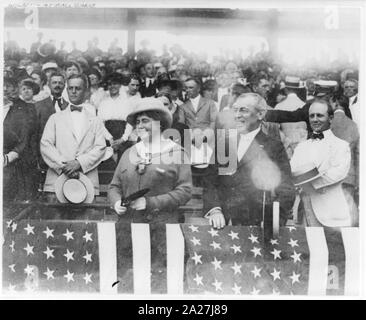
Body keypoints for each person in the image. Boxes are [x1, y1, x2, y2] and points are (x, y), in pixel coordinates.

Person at [203, 93, 296, 228]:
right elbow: (210, 183)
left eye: (243, 110)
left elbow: (286, 188)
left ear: (260, 114)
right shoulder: (225, 143)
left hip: (259, 224)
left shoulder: (273, 146)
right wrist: (215, 210)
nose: (237, 115)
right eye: (235, 110)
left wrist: (273, 220)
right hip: (224, 224)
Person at [108, 97, 192, 224]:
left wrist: (150, 203)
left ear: (160, 123)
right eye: (137, 122)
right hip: (128, 225)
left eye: (145, 121)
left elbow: (184, 191)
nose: (139, 126)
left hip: (161, 227)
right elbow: (114, 186)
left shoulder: (177, 153)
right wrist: (116, 202)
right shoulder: (128, 153)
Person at [40, 74, 106, 206]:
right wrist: (64, 166)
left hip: (86, 180)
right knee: (55, 222)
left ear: (86, 91)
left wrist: (79, 163)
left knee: (86, 223)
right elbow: (45, 145)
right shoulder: (55, 118)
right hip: (57, 180)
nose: (74, 91)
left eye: (78, 88)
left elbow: (100, 147)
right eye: (70, 88)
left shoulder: (95, 120)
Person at [290, 99, 352, 227]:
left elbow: (339, 172)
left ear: (330, 118)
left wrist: (312, 184)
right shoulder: (302, 146)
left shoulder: (341, 145)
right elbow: (293, 169)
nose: (315, 119)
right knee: (304, 243)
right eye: (312, 116)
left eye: (320, 115)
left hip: (329, 209)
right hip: (302, 204)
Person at [3, 77, 34, 217]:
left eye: (8, 86)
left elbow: (24, 140)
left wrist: (7, 158)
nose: (4, 89)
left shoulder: (22, 109)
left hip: (12, 165)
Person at [98, 72, 135, 161]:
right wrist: (110, 139)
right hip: (107, 137)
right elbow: (100, 123)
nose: (112, 86)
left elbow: (130, 122)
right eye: (110, 84)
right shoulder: (103, 103)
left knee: (123, 162)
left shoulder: (127, 102)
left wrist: (123, 139)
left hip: (123, 136)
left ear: (120, 85)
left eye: (115, 83)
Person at [274, 76, 307, 159]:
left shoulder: (279, 106)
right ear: (298, 89)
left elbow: (275, 131)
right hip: (303, 149)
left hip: (286, 149)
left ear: (285, 89)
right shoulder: (304, 106)